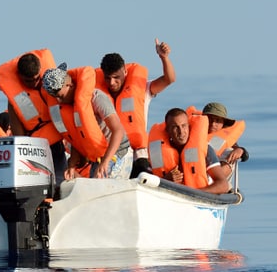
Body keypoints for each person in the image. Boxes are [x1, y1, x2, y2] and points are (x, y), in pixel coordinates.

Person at [95, 38, 176, 179]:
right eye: (107, 78)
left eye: (116, 77)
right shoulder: (98, 96)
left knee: (144, 176)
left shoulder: (142, 88)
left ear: (125, 72)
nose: (112, 83)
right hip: (111, 153)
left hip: (137, 154)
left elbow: (169, 79)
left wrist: (164, 58)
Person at [42, 63, 133, 180]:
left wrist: (105, 162)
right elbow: (77, 139)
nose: (59, 100)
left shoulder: (96, 98)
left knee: (100, 190)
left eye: (61, 96)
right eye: (55, 97)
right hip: (98, 158)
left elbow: (118, 130)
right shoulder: (70, 108)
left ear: (69, 85)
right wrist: (72, 166)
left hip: (119, 152)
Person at [0, 49, 67, 186]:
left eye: (37, 79)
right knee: (39, 185)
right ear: (20, 76)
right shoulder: (15, 99)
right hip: (34, 147)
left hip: (57, 143)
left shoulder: (51, 84)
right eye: (28, 81)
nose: (34, 83)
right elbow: (18, 133)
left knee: (60, 183)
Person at [148, 108, 229, 194]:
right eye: (175, 127)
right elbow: (146, 181)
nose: (181, 132)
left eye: (183, 126)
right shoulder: (157, 151)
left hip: (198, 194)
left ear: (189, 127)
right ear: (168, 130)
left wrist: (195, 194)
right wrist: (166, 180)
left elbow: (223, 185)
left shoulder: (205, 149)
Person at [201, 102, 249, 178]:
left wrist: (240, 150)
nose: (213, 124)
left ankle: (214, 181)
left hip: (215, 178)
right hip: (194, 175)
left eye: (217, 120)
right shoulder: (190, 133)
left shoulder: (225, 138)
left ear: (223, 123)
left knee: (230, 152)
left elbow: (245, 155)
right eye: (210, 120)